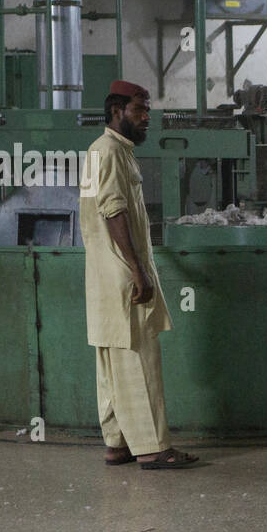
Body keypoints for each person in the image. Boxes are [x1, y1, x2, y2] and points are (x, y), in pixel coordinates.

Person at [80, 80, 199, 469]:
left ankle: (117, 444)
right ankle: (153, 449)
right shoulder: (110, 152)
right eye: (139, 110)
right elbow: (113, 211)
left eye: (147, 110)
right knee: (139, 362)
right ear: (117, 110)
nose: (147, 117)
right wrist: (137, 270)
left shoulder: (101, 152)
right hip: (123, 277)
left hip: (103, 277)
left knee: (111, 366)